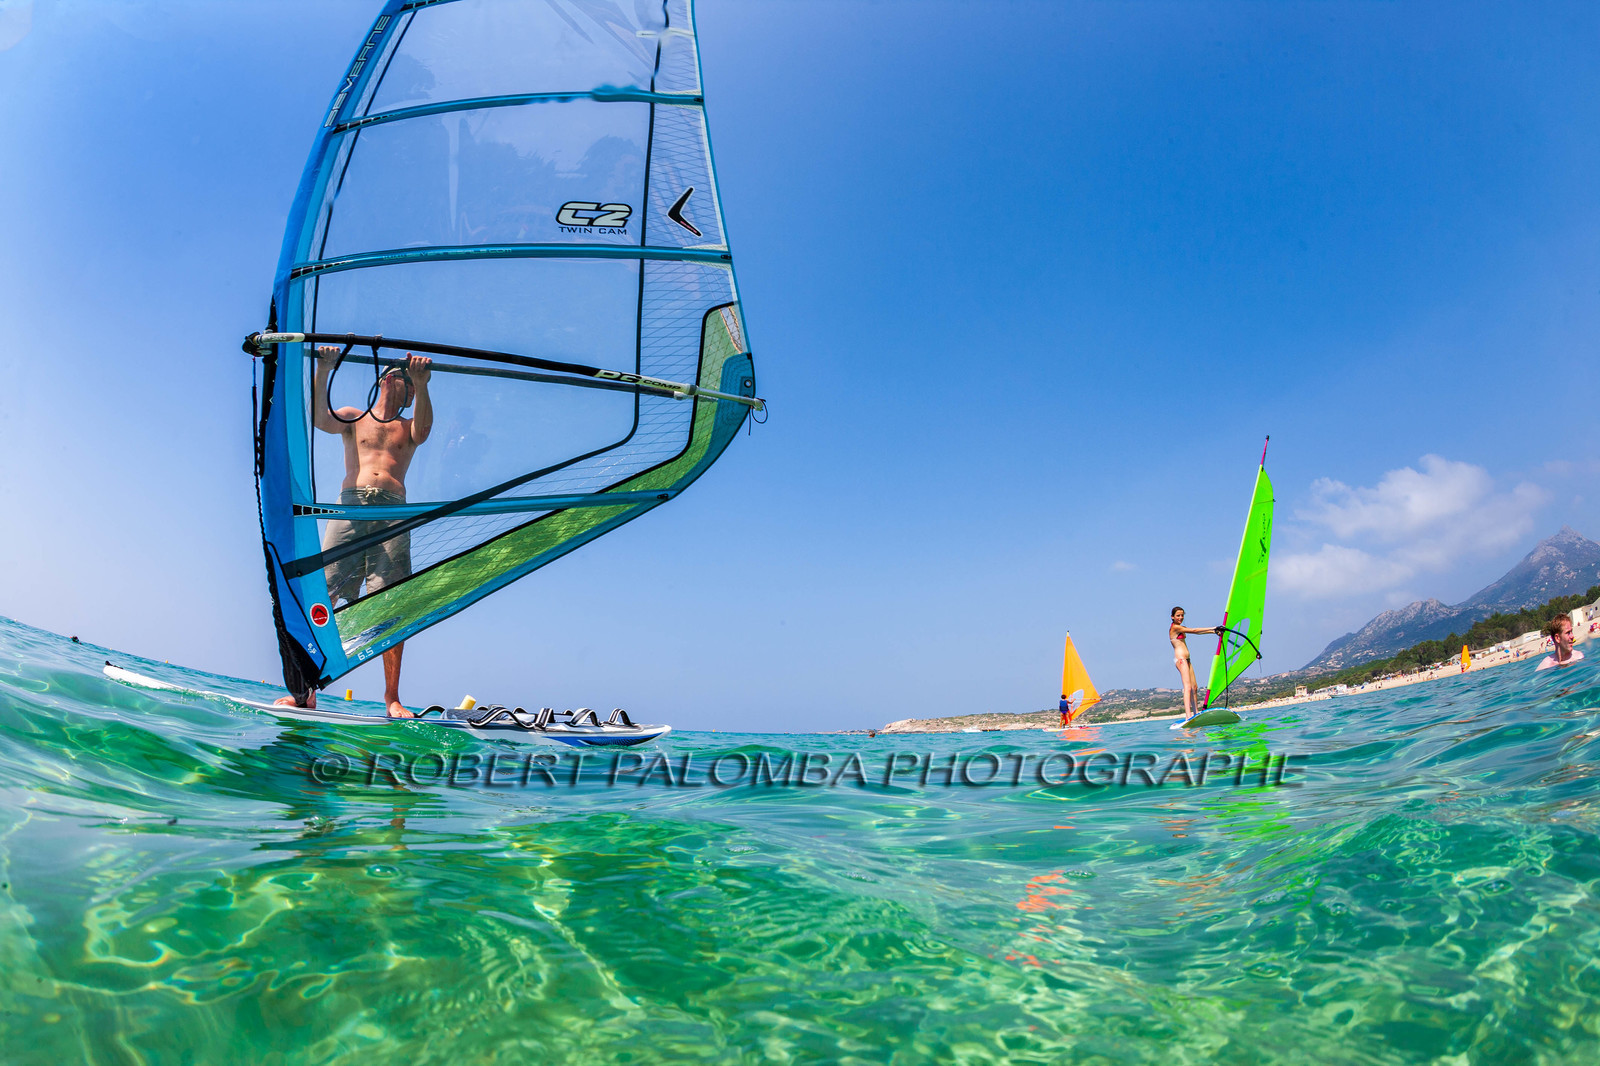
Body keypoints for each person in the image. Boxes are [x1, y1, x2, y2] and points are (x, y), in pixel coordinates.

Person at [276, 346, 434, 717]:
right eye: (407, 383)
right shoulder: (355, 416)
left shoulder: (409, 426)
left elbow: (424, 432)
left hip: (393, 512)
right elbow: (319, 418)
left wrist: (424, 384)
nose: (409, 393)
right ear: (386, 380)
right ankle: (307, 690)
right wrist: (323, 368)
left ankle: (392, 697)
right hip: (350, 506)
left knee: (393, 602)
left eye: (413, 388)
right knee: (324, 593)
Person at [1170, 606, 1223, 720]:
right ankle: (1188, 715)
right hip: (1181, 659)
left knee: (1194, 687)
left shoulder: (1181, 627)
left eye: (1182, 615)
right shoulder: (1175, 628)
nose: (1180, 617)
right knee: (1187, 687)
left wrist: (1213, 632)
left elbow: (1197, 633)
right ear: (1172, 617)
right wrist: (1214, 627)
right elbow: (1194, 630)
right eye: (1178, 615)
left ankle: (1196, 713)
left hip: (1187, 660)